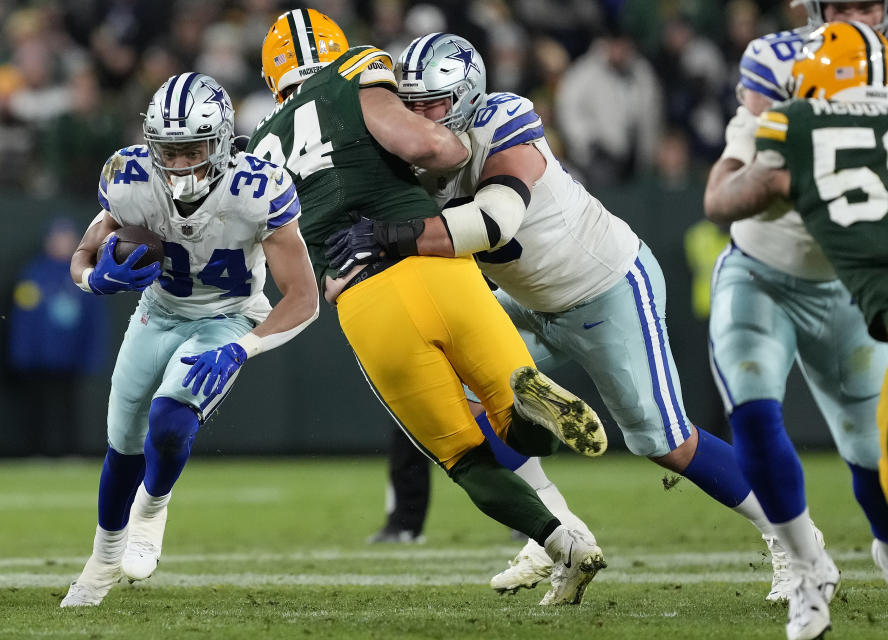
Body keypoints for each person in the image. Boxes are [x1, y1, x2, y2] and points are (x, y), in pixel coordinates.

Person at [326, 31, 797, 600]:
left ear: (468, 93)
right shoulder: (414, 152)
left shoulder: (504, 118)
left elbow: (493, 222)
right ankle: (559, 535)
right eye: (413, 104)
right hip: (529, 301)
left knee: (665, 441)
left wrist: (388, 235)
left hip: (605, 288)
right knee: (469, 396)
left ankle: (793, 541)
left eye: (435, 103)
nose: (423, 115)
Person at [246, 8, 608, 606]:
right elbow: (429, 145)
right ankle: (530, 406)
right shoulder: (357, 74)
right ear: (337, 51)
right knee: (507, 405)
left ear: (271, 79)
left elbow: (290, 274)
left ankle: (564, 545)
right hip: (440, 265)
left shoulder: (259, 150)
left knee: (465, 458)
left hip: (366, 299)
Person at [60, 72, 320, 607]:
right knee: (123, 442)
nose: (178, 164)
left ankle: (152, 509)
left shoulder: (259, 188)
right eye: (168, 151)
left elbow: (304, 298)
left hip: (228, 317)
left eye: (191, 149)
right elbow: (83, 257)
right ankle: (102, 560)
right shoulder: (129, 177)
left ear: (222, 140)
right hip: (158, 311)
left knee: (171, 418)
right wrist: (95, 279)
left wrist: (242, 346)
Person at [705, 20, 888, 640]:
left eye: (870, 1)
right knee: (753, 412)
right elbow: (719, 197)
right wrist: (779, 179)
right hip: (762, 272)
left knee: (870, 454)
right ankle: (807, 570)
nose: (862, 14)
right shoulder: (782, 65)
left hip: (848, 287)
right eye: (846, 1)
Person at [7, 216, 108, 455]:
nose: (62, 243)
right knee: (37, 408)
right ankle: (36, 452)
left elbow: (95, 321)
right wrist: (22, 353)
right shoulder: (33, 274)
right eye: (57, 238)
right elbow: (23, 318)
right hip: (40, 358)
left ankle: (70, 451)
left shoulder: (84, 275)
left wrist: (91, 355)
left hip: (71, 357)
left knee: (70, 408)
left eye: (67, 238)